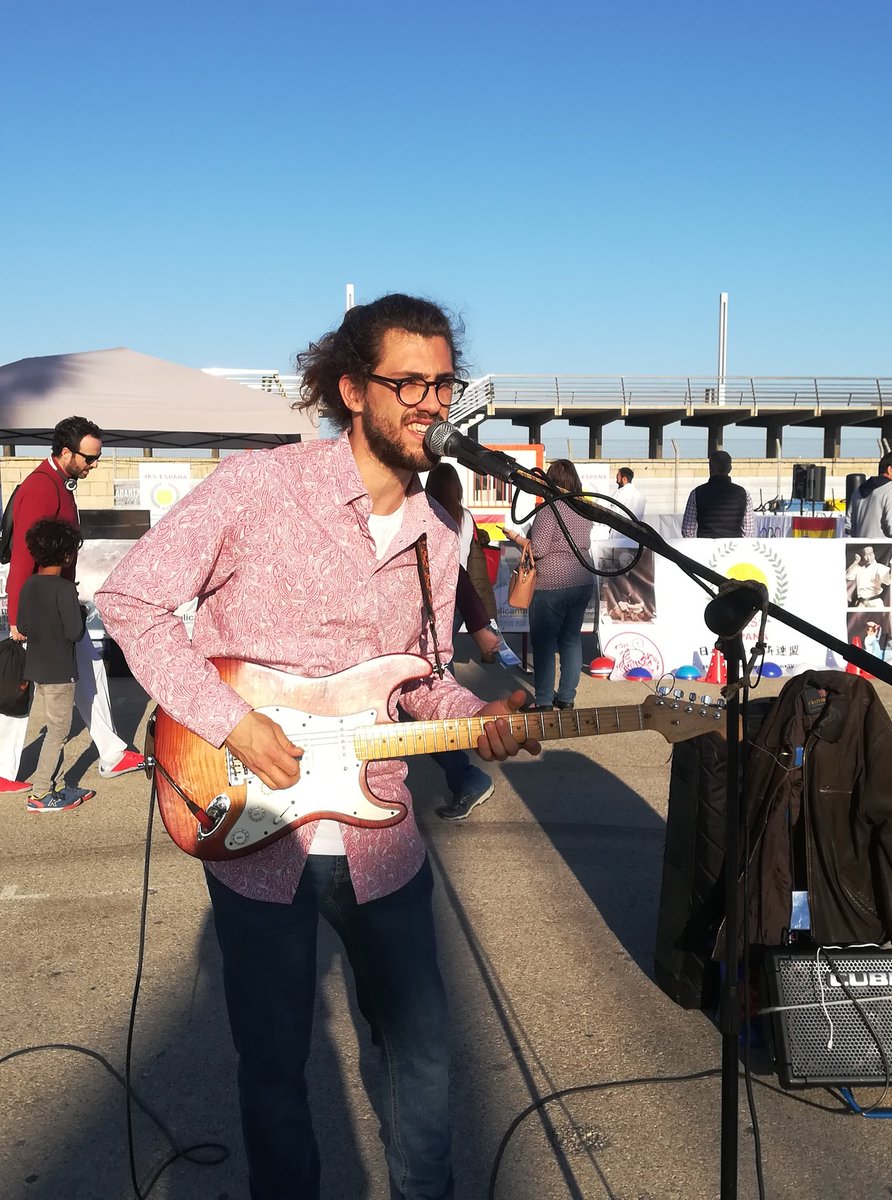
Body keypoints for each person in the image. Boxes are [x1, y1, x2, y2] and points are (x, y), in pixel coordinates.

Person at [96, 293, 540, 1200]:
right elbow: (131, 600)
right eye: (408, 383)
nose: (430, 403)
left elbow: (417, 676)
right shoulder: (257, 488)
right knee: (274, 1072)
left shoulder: (441, 529)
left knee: (422, 1056)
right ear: (352, 389)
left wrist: (478, 712)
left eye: (442, 384)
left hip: (385, 843)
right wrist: (229, 720)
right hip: (256, 836)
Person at [0, 415, 144, 792]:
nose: (94, 465)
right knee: (17, 686)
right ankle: (3, 770)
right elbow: (22, 557)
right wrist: (16, 617)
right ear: (66, 453)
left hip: (57, 604)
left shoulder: (60, 483)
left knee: (87, 668)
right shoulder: (42, 487)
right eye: (89, 458)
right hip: (41, 609)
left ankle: (111, 752)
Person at [422, 463, 500, 821]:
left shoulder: (427, 514)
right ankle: (466, 776)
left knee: (428, 700)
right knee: (437, 688)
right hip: (451, 605)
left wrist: (480, 623)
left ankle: (467, 777)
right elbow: (462, 567)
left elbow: (454, 569)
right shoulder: (464, 517)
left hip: (431, 607)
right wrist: (479, 621)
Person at [17, 519, 96, 813]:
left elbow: (23, 626)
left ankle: (55, 785)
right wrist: (80, 610)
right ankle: (41, 793)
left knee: (54, 728)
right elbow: (75, 632)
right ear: (67, 555)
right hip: (60, 671)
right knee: (58, 732)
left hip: (37, 668)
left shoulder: (29, 585)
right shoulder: (64, 589)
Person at [508, 459, 595, 711]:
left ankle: (544, 700)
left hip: (552, 583)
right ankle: (566, 697)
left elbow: (538, 550)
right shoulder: (583, 508)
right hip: (582, 579)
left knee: (544, 643)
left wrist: (516, 538)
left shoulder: (550, 509)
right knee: (571, 638)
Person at [680, 450, 755, 538]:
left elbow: (687, 531)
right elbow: (748, 531)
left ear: (710, 468)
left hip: (705, 545)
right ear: (730, 468)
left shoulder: (696, 493)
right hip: (734, 545)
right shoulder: (744, 494)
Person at [848, 452, 892, 538]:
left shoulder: (858, 490)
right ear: (890, 469)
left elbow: (849, 525)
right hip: (884, 545)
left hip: (860, 545)